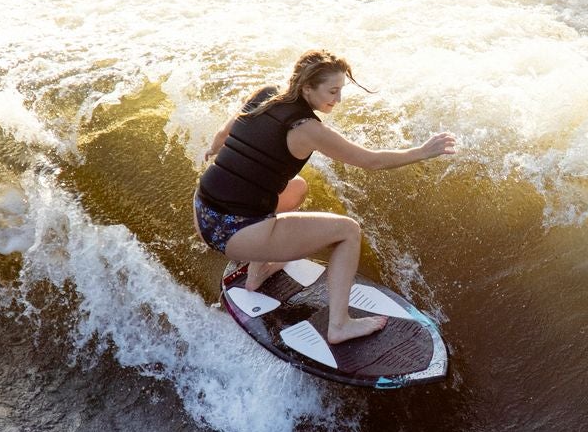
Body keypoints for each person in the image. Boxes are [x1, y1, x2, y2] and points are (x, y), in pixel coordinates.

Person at [194, 50, 455, 344]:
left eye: (341, 90)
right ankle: (340, 326)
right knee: (349, 232)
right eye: (333, 91)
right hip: (231, 233)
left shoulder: (265, 95)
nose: (338, 99)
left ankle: (258, 273)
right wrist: (423, 151)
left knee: (297, 187)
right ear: (307, 88)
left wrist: (213, 152)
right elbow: (372, 161)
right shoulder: (307, 128)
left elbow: (222, 134)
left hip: (204, 211)